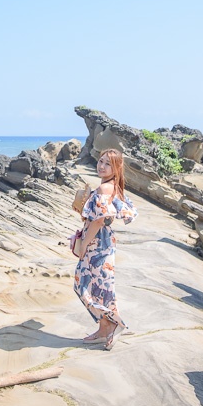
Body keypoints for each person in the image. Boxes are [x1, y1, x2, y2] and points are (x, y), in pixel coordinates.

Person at [73, 149, 137, 351]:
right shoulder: (111, 187)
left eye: (107, 164)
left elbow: (101, 220)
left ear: (116, 168)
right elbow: (106, 217)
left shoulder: (105, 189)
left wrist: (84, 244)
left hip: (97, 243)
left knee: (83, 285)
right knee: (99, 288)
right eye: (100, 161)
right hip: (103, 242)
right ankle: (104, 329)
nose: (101, 166)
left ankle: (115, 323)